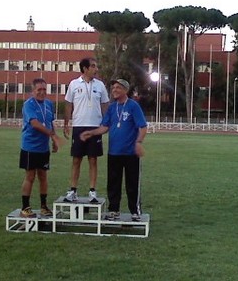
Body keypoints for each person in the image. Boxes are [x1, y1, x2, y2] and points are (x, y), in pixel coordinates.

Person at [80, 79, 147, 221]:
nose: (114, 90)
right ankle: (113, 209)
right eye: (113, 87)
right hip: (114, 152)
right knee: (113, 183)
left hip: (130, 153)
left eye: (118, 87)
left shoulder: (133, 106)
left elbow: (143, 126)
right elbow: (105, 127)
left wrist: (139, 142)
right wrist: (90, 133)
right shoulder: (111, 108)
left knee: (132, 183)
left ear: (125, 90)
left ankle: (135, 211)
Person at [63, 57, 109, 203]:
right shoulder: (74, 84)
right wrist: (66, 123)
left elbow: (105, 106)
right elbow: (68, 104)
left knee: (93, 160)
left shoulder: (100, 85)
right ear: (85, 68)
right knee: (76, 159)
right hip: (78, 126)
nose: (96, 69)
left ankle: (92, 192)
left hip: (95, 126)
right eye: (93, 66)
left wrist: (106, 124)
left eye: (96, 66)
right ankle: (73, 190)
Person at [20, 78, 61, 218]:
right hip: (30, 147)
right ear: (33, 91)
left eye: (44, 89)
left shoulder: (49, 104)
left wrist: (54, 139)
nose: (42, 92)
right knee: (30, 176)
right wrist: (53, 136)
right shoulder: (28, 105)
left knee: (43, 176)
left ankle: (44, 206)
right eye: (39, 90)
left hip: (44, 148)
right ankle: (25, 207)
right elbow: (35, 123)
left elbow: (50, 122)